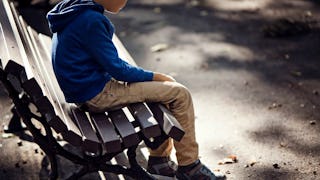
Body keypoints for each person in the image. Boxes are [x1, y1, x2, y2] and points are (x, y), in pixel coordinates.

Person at [47, 0, 225, 179]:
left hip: (85, 91)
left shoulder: (74, 9)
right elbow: (118, 69)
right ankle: (190, 167)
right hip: (98, 94)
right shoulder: (91, 20)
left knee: (164, 92)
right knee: (180, 94)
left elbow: (109, 63)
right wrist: (156, 76)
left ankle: (159, 162)